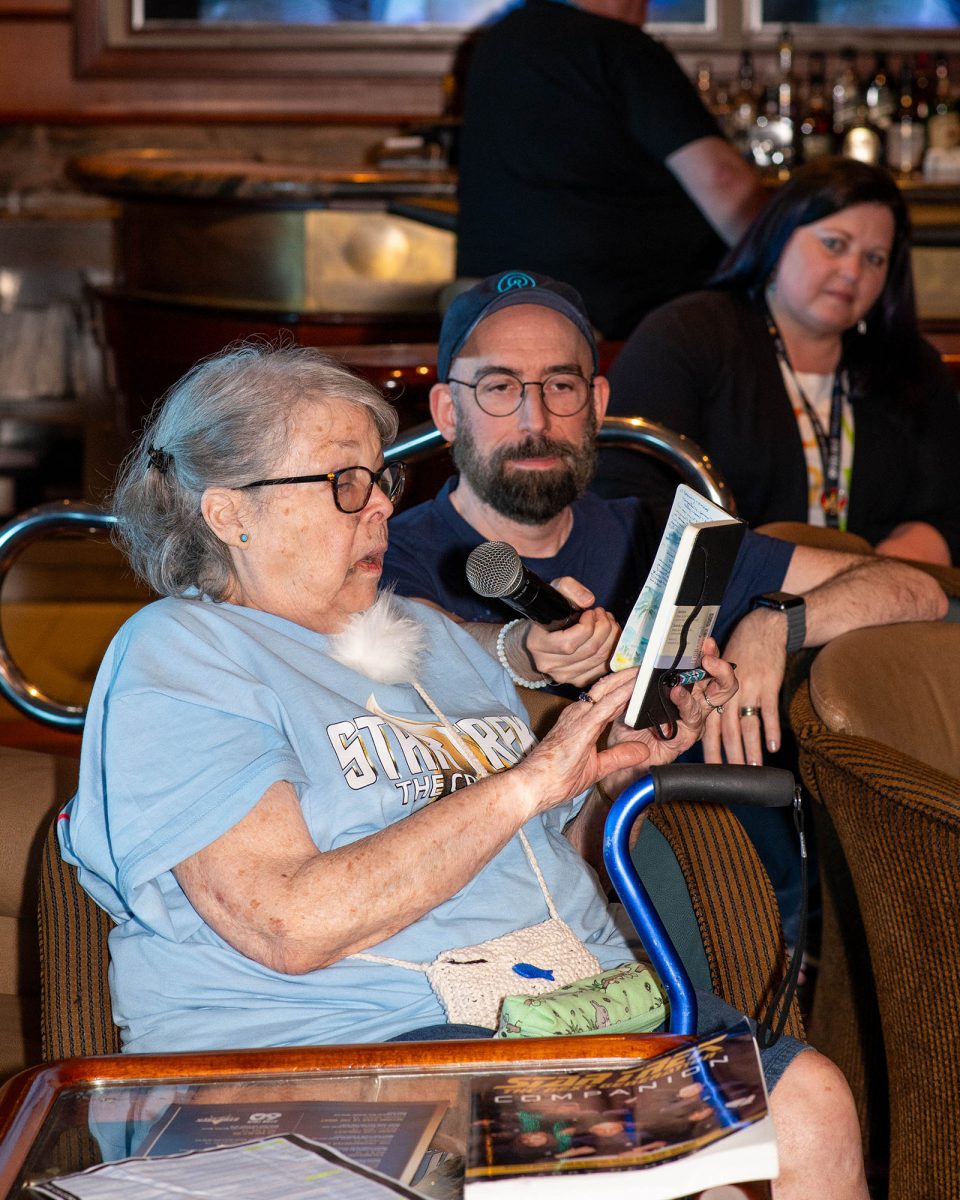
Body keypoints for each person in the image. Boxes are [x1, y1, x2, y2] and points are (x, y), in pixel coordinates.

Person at [58, 344, 867, 1199]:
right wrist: (530, 780)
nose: (380, 506)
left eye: (380, 479)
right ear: (230, 513)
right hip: (337, 1054)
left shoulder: (435, 640)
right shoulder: (181, 654)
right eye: (344, 483)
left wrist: (606, 773)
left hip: (563, 1018)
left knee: (810, 1103)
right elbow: (288, 925)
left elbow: (535, 858)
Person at [599, 157, 960, 565]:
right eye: (834, 244)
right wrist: (799, 578)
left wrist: (871, 579)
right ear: (780, 236)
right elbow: (625, 496)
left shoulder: (914, 366)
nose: (852, 272)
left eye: (875, 258)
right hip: (724, 593)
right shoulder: (687, 335)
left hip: (880, 594)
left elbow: (948, 512)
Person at [454, 0, 766, 339]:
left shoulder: (500, 39)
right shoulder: (620, 47)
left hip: (497, 299)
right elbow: (722, 179)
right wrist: (778, 261)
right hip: (618, 314)